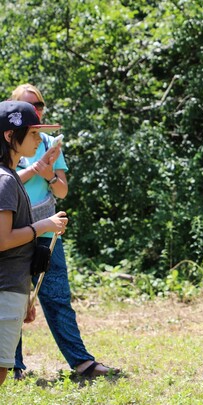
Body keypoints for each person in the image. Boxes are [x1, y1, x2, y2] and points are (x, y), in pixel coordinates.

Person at [9, 84, 118, 380]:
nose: (37, 111)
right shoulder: (6, 143)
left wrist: (49, 173)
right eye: (30, 105)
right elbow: (5, 181)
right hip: (11, 230)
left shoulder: (47, 143)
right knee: (13, 297)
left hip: (47, 230)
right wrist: (36, 170)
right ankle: (12, 365)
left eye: (40, 105)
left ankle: (82, 363)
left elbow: (63, 190)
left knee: (57, 296)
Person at [0, 100, 68, 386]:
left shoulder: (10, 177)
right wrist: (44, 226)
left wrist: (25, 294)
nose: (39, 140)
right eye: (32, 134)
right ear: (8, 136)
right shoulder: (5, 181)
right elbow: (3, 240)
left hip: (11, 289)